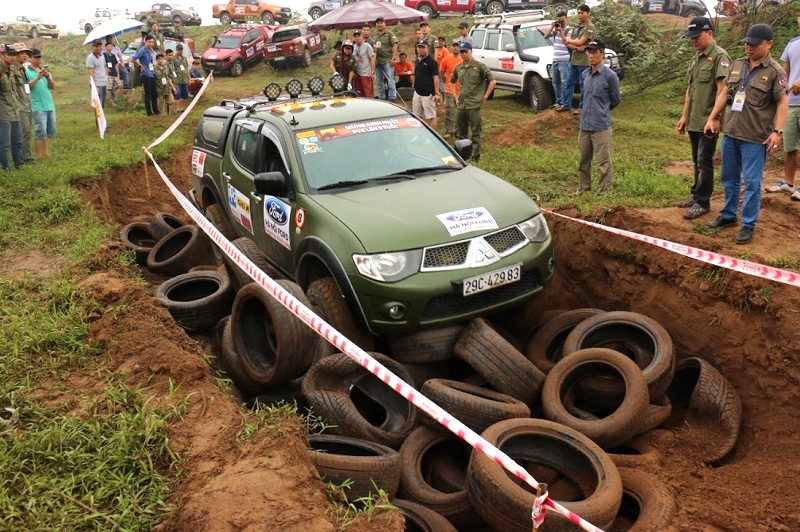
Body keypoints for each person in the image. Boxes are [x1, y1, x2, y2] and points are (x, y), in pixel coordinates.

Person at [705, 23, 788, 244]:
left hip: (755, 137)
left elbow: (782, 102)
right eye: (746, 44)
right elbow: (725, 94)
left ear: (769, 44)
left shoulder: (775, 72)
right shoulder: (737, 64)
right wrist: (713, 116)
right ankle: (729, 215)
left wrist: (777, 132)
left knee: (752, 182)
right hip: (732, 133)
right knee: (729, 177)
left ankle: (748, 224)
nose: (748, 48)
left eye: (754, 45)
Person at [676, 17, 731, 220]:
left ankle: (703, 201)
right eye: (691, 37)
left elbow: (723, 90)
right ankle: (696, 194)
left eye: (696, 37)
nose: (693, 41)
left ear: (709, 33)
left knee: (704, 161)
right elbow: (690, 90)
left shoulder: (720, 57)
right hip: (694, 120)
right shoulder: (696, 58)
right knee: (696, 161)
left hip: (708, 121)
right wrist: (684, 116)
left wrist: (714, 118)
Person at [574, 39, 620, 195]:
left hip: (600, 125)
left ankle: (604, 192)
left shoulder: (610, 76)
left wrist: (602, 112)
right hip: (584, 125)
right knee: (583, 161)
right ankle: (583, 189)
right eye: (589, 52)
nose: (591, 55)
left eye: (594, 52)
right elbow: (583, 98)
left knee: (604, 162)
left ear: (603, 54)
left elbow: (615, 100)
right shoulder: (585, 74)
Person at [766, 17, 800, 199]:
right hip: (792, 103)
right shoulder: (792, 44)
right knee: (790, 146)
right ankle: (788, 183)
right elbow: (784, 74)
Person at [451, 41, 495, 162]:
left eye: (466, 51)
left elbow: (492, 81)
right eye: (461, 52)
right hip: (461, 104)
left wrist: (485, 96)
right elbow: (451, 80)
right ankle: (463, 155)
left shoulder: (479, 66)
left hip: (474, 105)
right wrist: (455, 95)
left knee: (476, 132)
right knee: (462, 132)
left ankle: (475, 156)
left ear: (471, 51)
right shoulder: (458, 67)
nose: (463, 54)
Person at [563, 4, 596, 113]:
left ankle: (582, 107)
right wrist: (576, 45)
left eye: (582, 13)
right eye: (578, 13)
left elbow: (581, 42)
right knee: (569, 82)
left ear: (588, 14)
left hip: (584, 61)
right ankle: (566, 105)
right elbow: (568, 43)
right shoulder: (576, 28)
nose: (580, 15)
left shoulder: (590, 27)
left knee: (583, 85)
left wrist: (574, 42)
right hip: (574, 59)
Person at [25, 48, 56, 159]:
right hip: (37, 105)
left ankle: (47, 153)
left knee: (49, 130)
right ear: (31, 58)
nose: (39, 60)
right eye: (36, 57)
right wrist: (37, 78)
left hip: (49, 104)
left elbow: (52, 87)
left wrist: (47, 77)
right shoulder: (26, 71)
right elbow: (27, 87)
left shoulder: (44, 70)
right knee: (40, 130)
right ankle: (38, 155)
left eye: (40, 57)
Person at [0, 44, 24, 171]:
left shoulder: (12, 70)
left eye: (14, 54)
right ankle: (5, 169)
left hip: (15, 111)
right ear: (2, 55)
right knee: (4, 145)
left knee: (18, 142)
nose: (13, 57)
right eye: (9, 54)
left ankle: (19, 166)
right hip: (3, 113)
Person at [544, 11, 572, 110]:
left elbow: (566, 42)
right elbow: (545, 36)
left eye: (562, 20)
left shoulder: (569, 30)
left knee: (565, 82)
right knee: (555, 82)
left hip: (564, 59)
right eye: (559, 20)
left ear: (566, 19)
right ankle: (558, 101)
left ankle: (566, 103)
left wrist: (561, 31)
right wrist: (552, 27)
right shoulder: (555, 30)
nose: (561, 22)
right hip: (555, 59)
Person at [12, 43, 34, 163]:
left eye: (25, 53)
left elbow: (25, 87)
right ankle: (26, 158)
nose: (24, 55)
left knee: (27, 132)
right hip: (20, 106)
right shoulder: (13, 70)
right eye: (21, 53)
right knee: (24, 133)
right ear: (14, 55)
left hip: (27, 104)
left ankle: (24, 156)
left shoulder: (22, 69)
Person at [412, 40, 440, 129]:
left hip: (428, 94)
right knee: (417, 116)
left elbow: (436, 78)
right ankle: (419, 135)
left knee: (431, 116)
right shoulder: (417, 61)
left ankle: (434, 136)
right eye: (419, 47)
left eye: (423, 47)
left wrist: (437, 93)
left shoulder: (432, 62)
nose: (420, 49)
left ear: (427, 48)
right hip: (417, 92)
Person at [439, 39, 462, 139]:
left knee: (460, 111)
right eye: (454, 45)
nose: (455, 47)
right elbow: (442, 73)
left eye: (457, 45)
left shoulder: (463, 59)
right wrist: (447, 83)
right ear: (451, 47)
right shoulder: (446, 59)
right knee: (450, 110)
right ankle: (449, 131)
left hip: (461, 90)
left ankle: (458, 131)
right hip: (449, 89)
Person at [133, 35, 159, 115]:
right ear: (145, 42)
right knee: (148, 94)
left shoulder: (150, 50)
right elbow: (133, 58)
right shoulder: (143, 50)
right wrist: (140, 65)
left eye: (152, 42)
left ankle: (156, 110)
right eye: (149, 42)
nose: (151, 43)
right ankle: (149, 112)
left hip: (151, 73)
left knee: (154, 93)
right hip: (146, 74)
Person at [373, 17, 398, 101]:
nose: (379, 24)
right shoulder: (374, 35)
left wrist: (394, 58)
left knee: (390, 80)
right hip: (377, 62)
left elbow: (395, 45)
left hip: (387, 61)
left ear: (385, 24)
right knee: (379, 82)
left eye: (381, 22)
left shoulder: (390, 34)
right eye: (377, 23)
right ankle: (381, 97)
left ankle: (392, 97)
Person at [353, 30, 375, 98]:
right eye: (355, 36)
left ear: (362, 37)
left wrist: (372, 72)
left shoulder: (367, 46)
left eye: (358, 36)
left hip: (366, 73)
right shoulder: (353, 47)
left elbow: (372, 59)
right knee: (359, 93)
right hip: (357, 74)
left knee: (368, 93)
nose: (357, 38)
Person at [86, 40, 108, 108]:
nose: (99, 48)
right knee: (98, 104)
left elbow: (104, 67)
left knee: (103, 104)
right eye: (97, 46)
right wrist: (94, 85)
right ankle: (98, 119)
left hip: (103, 82)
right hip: (97, 83)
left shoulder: (102, 56)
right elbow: (91, 72)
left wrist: (106, 77)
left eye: (99, 46)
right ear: (93, 47)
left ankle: (102, 118)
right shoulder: (90, 57)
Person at [173, 44, 190, 112]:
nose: (180, 51)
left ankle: (182, 107)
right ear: (176, 50)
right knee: (177, 94)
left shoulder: (184, 58)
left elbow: (186, 68)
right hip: (178, 79)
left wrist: (189, 77)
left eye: (181, 49)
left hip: (184, 79)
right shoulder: (174, 58)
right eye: (179, 50)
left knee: (184, 94)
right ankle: (177, 108)